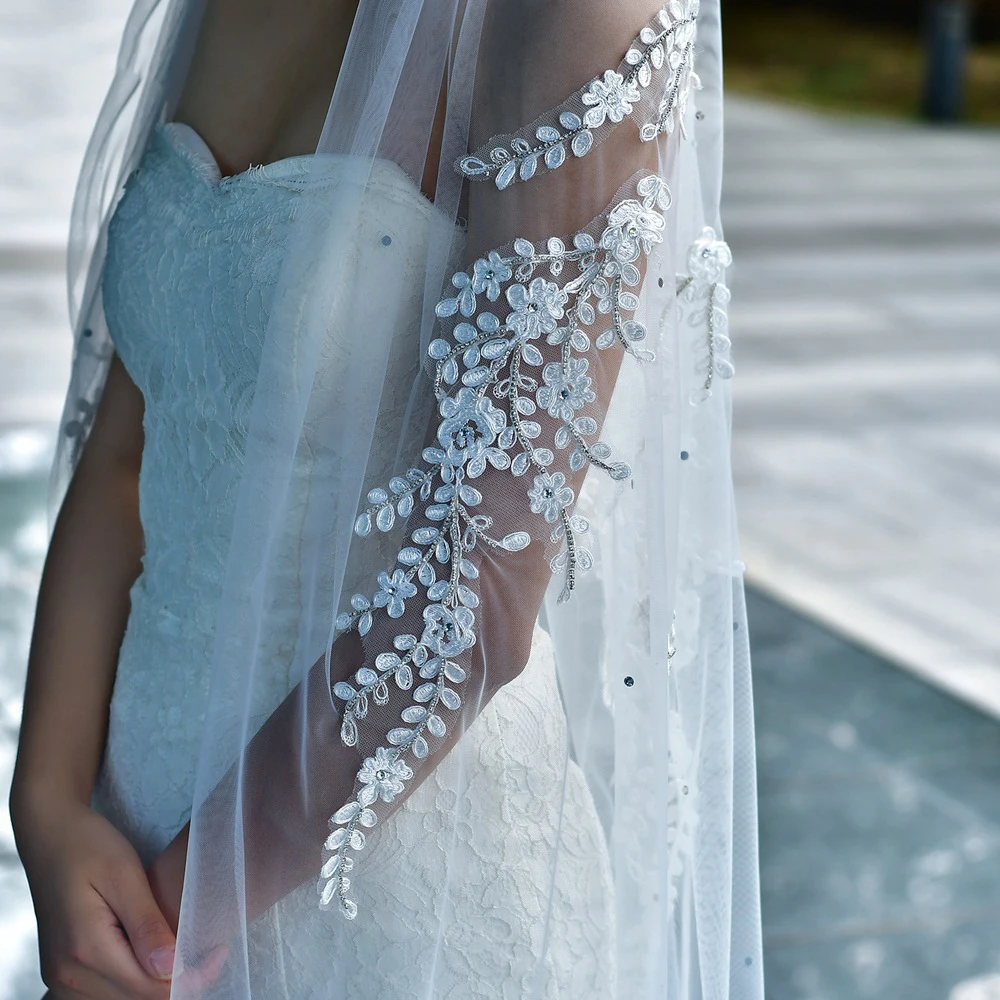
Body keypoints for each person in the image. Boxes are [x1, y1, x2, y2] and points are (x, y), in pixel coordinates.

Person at [11, 1, 764, 997]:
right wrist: (51, 806)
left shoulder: (569, 17)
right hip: (125, 840)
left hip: (387, 894)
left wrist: (169, 927)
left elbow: (479, 591)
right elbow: (127, 450)